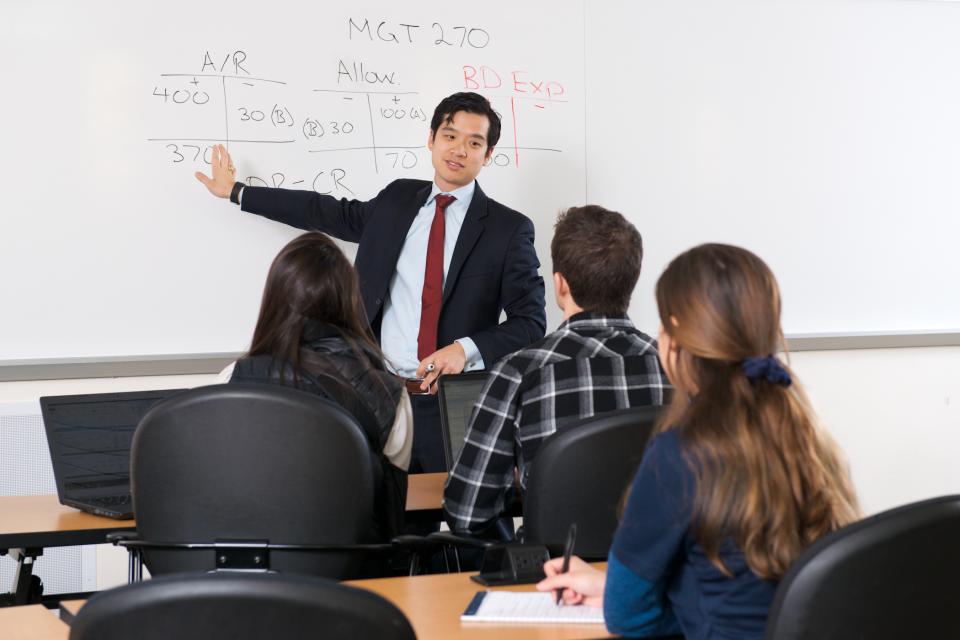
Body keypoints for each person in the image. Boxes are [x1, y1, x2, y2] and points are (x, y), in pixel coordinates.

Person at [196, 92, 546, 473]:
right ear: (431, 139)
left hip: (453, 404)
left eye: (474, 142)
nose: (459, 149)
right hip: (376, 396)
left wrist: (464, 349)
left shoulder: (507, 230)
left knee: (465, 519)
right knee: (378, 514)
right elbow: (323, 210)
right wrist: (236, 192)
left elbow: (530, 322)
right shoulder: (397, 200)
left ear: (488, 154)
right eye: (450, 136)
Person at [535, 243, 861, 639]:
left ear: (674, 338)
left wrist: (622, 597)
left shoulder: (677, 454)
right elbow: (748, 600)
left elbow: (627, 618)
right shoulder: (806, 434)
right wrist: (609, 589)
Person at [443, 205, 670, 536]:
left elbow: (466, 514)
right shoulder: (680, 371)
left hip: (555, 576)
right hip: (659, 574)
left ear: (560, 285)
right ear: (632, 280)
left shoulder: (518, 374)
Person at [220, 232, 413, 542]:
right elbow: (390, 511)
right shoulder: (389, 392)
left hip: (254, 573)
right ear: (350, 300)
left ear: (274, 300)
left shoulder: (233, 379)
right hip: (355, 577)